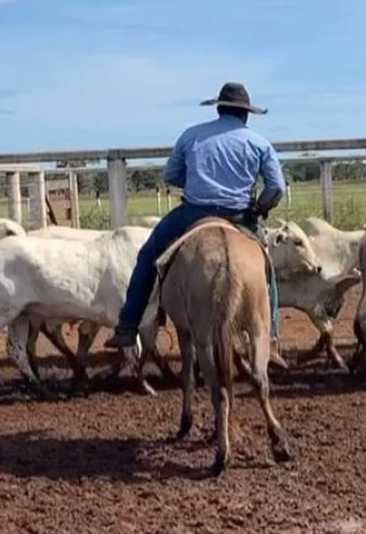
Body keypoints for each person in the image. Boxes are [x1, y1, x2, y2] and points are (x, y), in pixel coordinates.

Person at [104, 82, 285, 349]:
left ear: (219, 109)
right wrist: (259, 208)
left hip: (191, 213)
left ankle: (127, 326)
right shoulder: (259, 143)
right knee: (265, 267)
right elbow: (276, 187)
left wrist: (196, 181)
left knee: (148, 256)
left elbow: (171, 176)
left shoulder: (191, 136)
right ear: (246, 114)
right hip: (238, 216)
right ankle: (269, 334)